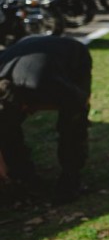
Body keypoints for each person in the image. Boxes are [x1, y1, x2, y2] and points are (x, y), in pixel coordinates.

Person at [0, 35, 91, 203]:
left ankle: (71, 179)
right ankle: (23, 175)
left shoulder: (48, 83)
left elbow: (78, 102)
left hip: (74, 55)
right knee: (7, 127)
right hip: (27, 54)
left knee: (72, 123)